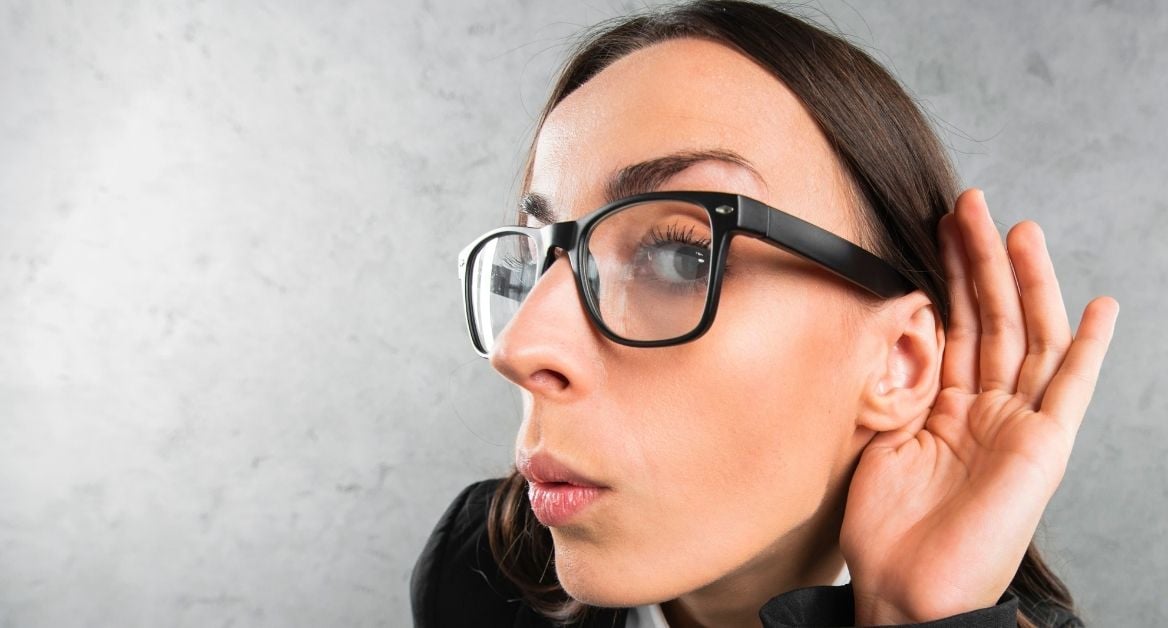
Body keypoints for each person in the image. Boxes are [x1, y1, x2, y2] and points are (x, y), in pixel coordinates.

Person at [411, 1, 1119, 626]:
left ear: (898, 364)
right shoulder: (479, 575)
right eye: (541, 258)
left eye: (679, 255)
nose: (522, 345)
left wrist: (913, 621)